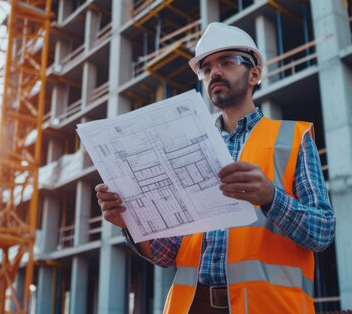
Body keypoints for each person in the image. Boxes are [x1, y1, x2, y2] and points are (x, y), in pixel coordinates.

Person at [95, 22, 335, 313]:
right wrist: (130, 221)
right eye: (206, 68)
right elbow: (170, 253)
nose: (214, 73)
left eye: (226, 62)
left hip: (267, 306)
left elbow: (322, 232)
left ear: (254, 74)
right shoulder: (185, 146)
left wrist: (271, 197)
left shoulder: (292, 139)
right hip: (192, 306)